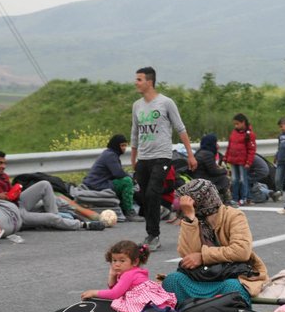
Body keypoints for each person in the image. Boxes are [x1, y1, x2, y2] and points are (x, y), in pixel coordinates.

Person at [161, 179, 268, 305]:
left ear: (200, 201)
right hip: (200, 275)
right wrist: (190, 219)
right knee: (172, 280)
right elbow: (188, 254)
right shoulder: (193, 218)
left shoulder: (234, 216)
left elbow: (241, 251)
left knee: (233, 288)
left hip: (230, 276)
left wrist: (203, 257)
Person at [130, 66, 198, 252]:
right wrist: (133, 158)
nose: (136, 83)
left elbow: (180, 129)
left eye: (139, 79)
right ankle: (154, 226)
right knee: (144, 196)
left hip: (162, 157)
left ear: (149, 82)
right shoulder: (137, 106)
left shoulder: (166, 103)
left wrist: (190, 154)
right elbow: (135, 133)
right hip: (143, 158)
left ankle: (153, 235)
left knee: (153, 193)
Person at [0, 150, 103, 231]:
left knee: (45, 184)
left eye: (4, 163)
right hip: (11, 213)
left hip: (17, 203)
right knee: (51, 218)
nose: (3, 166)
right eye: (0, 163)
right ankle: (83, 225)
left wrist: (15, 191)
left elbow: (10, 195)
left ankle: (56, 218)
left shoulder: (3, 176)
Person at [82, 134, 144, 223]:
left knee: (125, 180)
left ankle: (125, 208)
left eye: (125, 145)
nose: (124, 148)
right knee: (127, 182)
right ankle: (129, 212)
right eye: (122, 145)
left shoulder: (110, 153)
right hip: (98, 184)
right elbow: (118, 173)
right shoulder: (111, 155)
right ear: (116, 145)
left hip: (97, 182)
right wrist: (132, 179)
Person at [80, 240, 151, 300]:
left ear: (135, 262)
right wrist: (112, 276)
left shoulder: (129, 275)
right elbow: (117, 290)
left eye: (122, 261)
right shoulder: (134, 271)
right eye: (114, 260)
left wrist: (94, 293)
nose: (117, 264)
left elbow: (114, 294)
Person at [223, 113, 256, 206]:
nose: (236, 126)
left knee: (243, 179)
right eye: (235, 124)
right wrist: (226, 157)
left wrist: (248, 162)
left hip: (243, 161)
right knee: (234, 179)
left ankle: (244, 198)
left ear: (243, 123)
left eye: (237, 124)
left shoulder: (249, 134)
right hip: (233, 160)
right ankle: (235, 198)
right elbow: (229, 146)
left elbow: (251, 150)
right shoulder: (234, 133)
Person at [192, 133, 232, 203]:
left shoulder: (200, 152)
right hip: (202, 179)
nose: (217, 145)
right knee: (224, 178)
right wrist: (224, 171)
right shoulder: (208, 154)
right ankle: (225, 199)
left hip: (198, 177)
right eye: (216, 143)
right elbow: (213, 171)